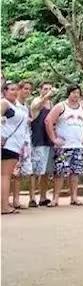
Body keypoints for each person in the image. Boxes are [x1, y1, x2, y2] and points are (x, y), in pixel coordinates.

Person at [45, 84, 83, 207]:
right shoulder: (61, 106)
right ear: (69, 93)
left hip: (78, 145)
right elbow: (48, 120)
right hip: (63, 146)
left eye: (78, 93)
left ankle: (74, 197)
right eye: (73, 93)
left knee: (75, 172)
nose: (75, 95)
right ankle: (56, 198)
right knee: (60, 172)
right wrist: (54, 138)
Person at [29, 81, 56, 207]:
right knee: (35, 170)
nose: (48, 91)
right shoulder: (36, 101)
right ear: (40, 90)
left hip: (49, 140)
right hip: (38, 140)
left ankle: (43, 197)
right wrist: (45, 97)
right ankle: (32, 197)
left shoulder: (51, 104)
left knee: (46, 171)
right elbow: (35, 107)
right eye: (45, 88)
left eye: (50, 89)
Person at [1, 82, 25, 214]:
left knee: (6, 175)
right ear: (5, 91)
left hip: (15, 144)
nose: (14, 92)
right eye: (11, 89)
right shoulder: (4, 103)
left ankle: (4, 204)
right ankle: (3, 206)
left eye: (16, 90)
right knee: (4, 175)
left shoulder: (17, 107)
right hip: (7, 144)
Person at [10, 80, 33, 209]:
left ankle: (16, 200)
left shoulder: (25, 106)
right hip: (13, 141)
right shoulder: (12, 104)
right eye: (25, 89)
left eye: (29, 89)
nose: (27, 92)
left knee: (19, 172)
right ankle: (5, 199)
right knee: (10, 172)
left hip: (24, 141)